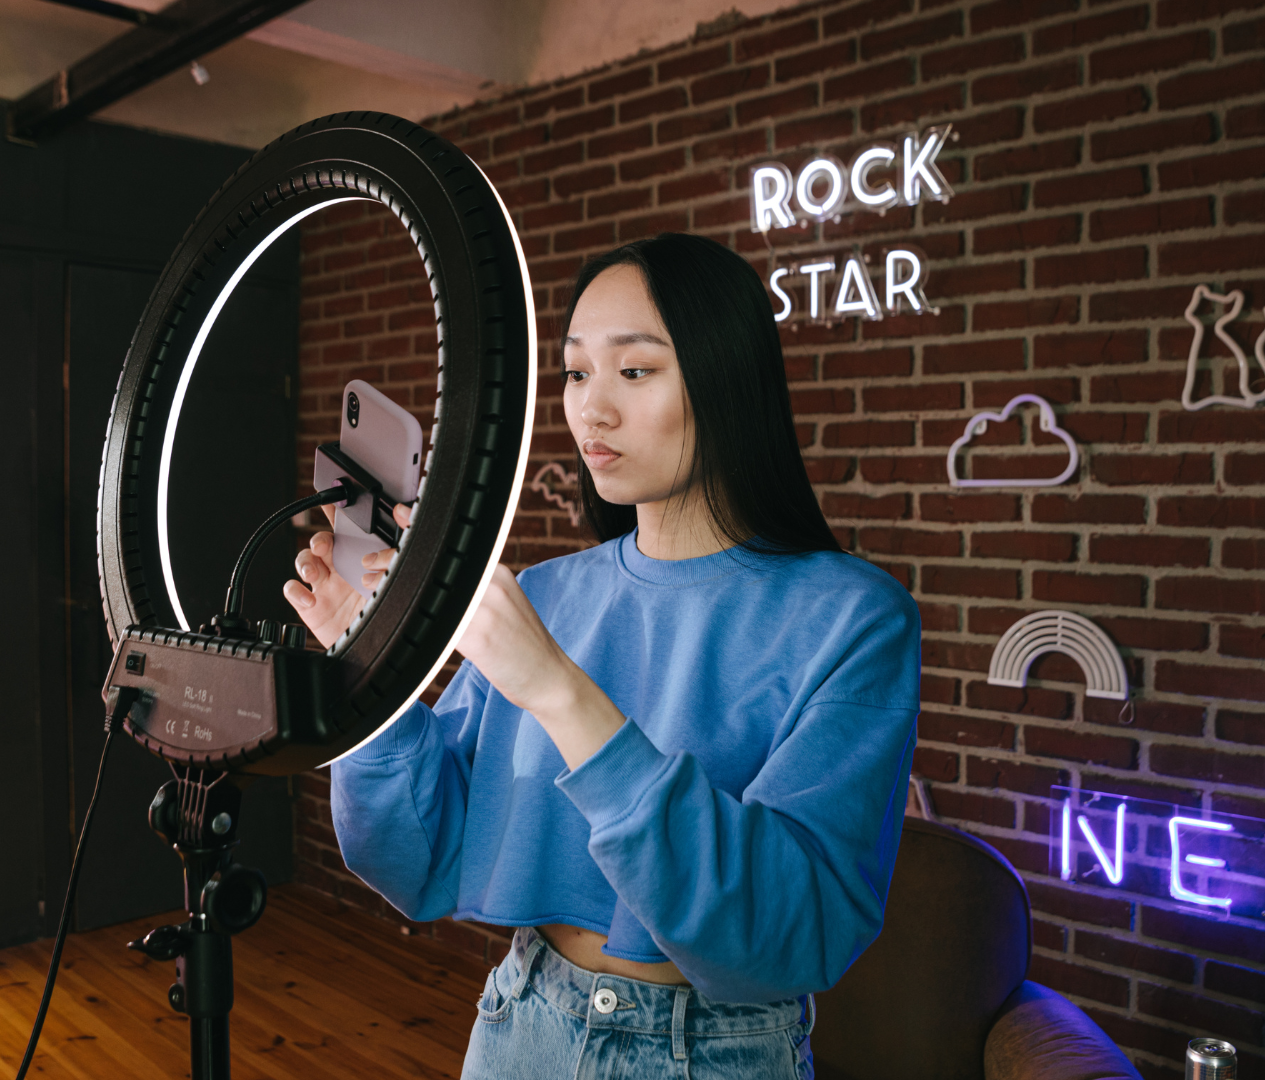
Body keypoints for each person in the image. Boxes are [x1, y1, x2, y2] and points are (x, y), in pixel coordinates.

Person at [283, 233, 922, 1079]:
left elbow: (784, 928)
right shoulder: (545, 593)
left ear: (726, 376)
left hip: (715, 1052)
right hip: (522, 1027)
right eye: (578, 373)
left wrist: (556, 687)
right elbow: (418, 859)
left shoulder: (852, 618)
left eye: (635, 370)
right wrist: (370, 683)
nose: (591, 409)